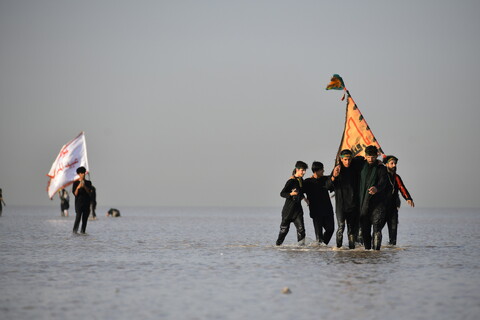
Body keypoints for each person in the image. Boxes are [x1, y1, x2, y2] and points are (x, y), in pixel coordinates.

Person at [331, 149, 363, 249]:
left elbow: (364, 159)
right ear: (341, 159)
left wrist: (378, 162)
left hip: (353, 205)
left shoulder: (355, 168)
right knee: (341, 227)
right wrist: (334, 176)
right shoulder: (337, 169)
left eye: (349, 159)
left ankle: (351, 250)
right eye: (345, 159)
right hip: (341, 205)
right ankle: (338, 249)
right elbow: (329, 186)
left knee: (352, 230)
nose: (347, 162)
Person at [358, 146, 388, 250]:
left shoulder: (381, 168)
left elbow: (383, 182)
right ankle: (367, 252)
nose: (371, 159)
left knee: (377, 229)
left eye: (373, 157)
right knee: (365, 230)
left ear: (377, 156)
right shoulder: (360, 165)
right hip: (363, 203)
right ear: (365, 156)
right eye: (369, 157)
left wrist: (376, 188)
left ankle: (376, 253)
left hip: (378, 204)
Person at [383, 155, 415, 245]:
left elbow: (401, 187)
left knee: (393, 231)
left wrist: (408, 198)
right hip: (381, 207)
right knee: (377, 230)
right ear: (386, 164)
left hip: (393, 207)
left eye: (395, 163)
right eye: (392, 163)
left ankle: (392, 250)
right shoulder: (382, 175)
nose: (394, 165)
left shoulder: (396, 177)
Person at [276, 161, 308, 246]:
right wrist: (291, 194)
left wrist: (304, 199)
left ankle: (301, 248)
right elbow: (282, 193)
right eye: (302, 170)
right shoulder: (291, 181)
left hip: (297, 211)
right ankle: (278, 246)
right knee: (284, 231)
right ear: (297, 170)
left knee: (301, 230)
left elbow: (300, 192)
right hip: (288, 211)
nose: (304, 172)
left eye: (304, 170)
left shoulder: (300, 180)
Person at [303, 161, 335, 245]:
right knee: (319, 236)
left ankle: (322, 246)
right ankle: (320, 251)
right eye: (321, 170)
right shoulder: (308, 182)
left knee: (330, 229)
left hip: (327, 210)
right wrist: (304, 198)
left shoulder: (325, 179)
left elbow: (333, 178)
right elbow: (300, 190)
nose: (323, 171)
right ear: (316, 171)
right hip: (316, 211)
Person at [72, 166, 92, 234]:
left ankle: (83, 232)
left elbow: (89, 192)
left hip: (86, 204)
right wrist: (78, 187)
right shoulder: (75, 183)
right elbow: (75, 194)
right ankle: (74, 232)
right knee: (78, 219)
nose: (83, 174)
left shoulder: (88, 183)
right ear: (79, 174)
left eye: (84, 173)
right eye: (81, 173)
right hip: (79, 204)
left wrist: (84, 187)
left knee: (85, 220)